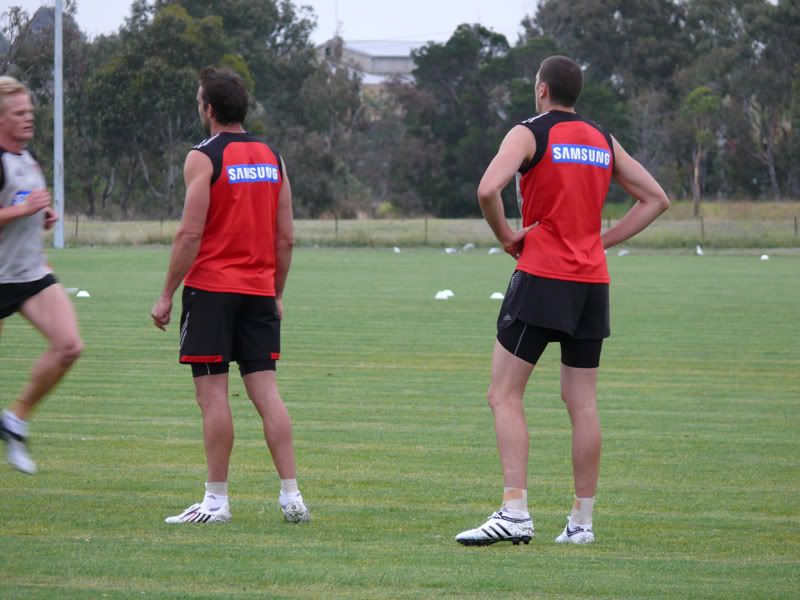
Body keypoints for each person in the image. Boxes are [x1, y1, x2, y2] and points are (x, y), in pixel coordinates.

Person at [455, 56, 670, 546]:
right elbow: (657, 198)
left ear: (542, 89)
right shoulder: (601, 138)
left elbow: (487, 188)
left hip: (542, 276)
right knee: (583, 402)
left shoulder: (529, 132)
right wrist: (601, 241)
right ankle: (581, 523)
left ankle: (515, 512)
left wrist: (506, 236)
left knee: (503, 394)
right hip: (592, 284)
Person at [151, 67, 309, 524]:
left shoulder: (203, 157)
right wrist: (275, 292)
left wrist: (166, 294)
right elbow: (286, 238)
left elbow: (189, 234)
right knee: (267, 393)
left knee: (213, 396)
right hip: (259, 292)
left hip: (211, 292)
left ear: (209, 109)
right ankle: (292, 496)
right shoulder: (273, 157)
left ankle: (216, 501)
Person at [0, 76, 83, 474]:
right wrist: (24, 210)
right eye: (19, 113)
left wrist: (42, 216)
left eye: (30, 111)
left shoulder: (27, 159)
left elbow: (22, 206)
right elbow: (17, 207)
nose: (29, 118)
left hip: (30, 274)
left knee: (69, 346)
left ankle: (14, 421)